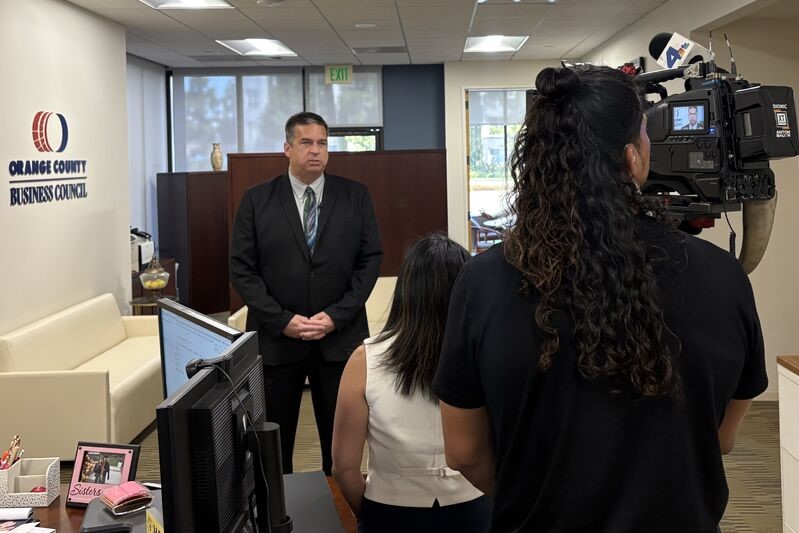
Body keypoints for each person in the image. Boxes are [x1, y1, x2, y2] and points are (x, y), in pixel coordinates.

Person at [433, 66, 767, 533]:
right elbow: (723, 438)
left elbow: (464, 451)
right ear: (632, 159)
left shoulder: (481, 282)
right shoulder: (722, 276)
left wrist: (533, 494)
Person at [230, 111, 383, 475]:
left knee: (341, 445)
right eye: (306, 143)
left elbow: (370, 262)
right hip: (277, 341)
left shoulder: (355, 197)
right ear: (287, 148)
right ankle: (278, 518)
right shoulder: (256, 200)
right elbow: (242, 269)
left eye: (322, 143)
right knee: (274, 444)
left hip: (339, 340)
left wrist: (336, 316)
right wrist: (282, 320)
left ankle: (341, 513)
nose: (316, 151)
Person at [332, 234, 490, 533]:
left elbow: (343, 467)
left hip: (389, 512)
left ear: (405, 289)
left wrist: (366, 515)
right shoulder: (485, 354)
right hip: (473, 508)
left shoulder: (364, 360)